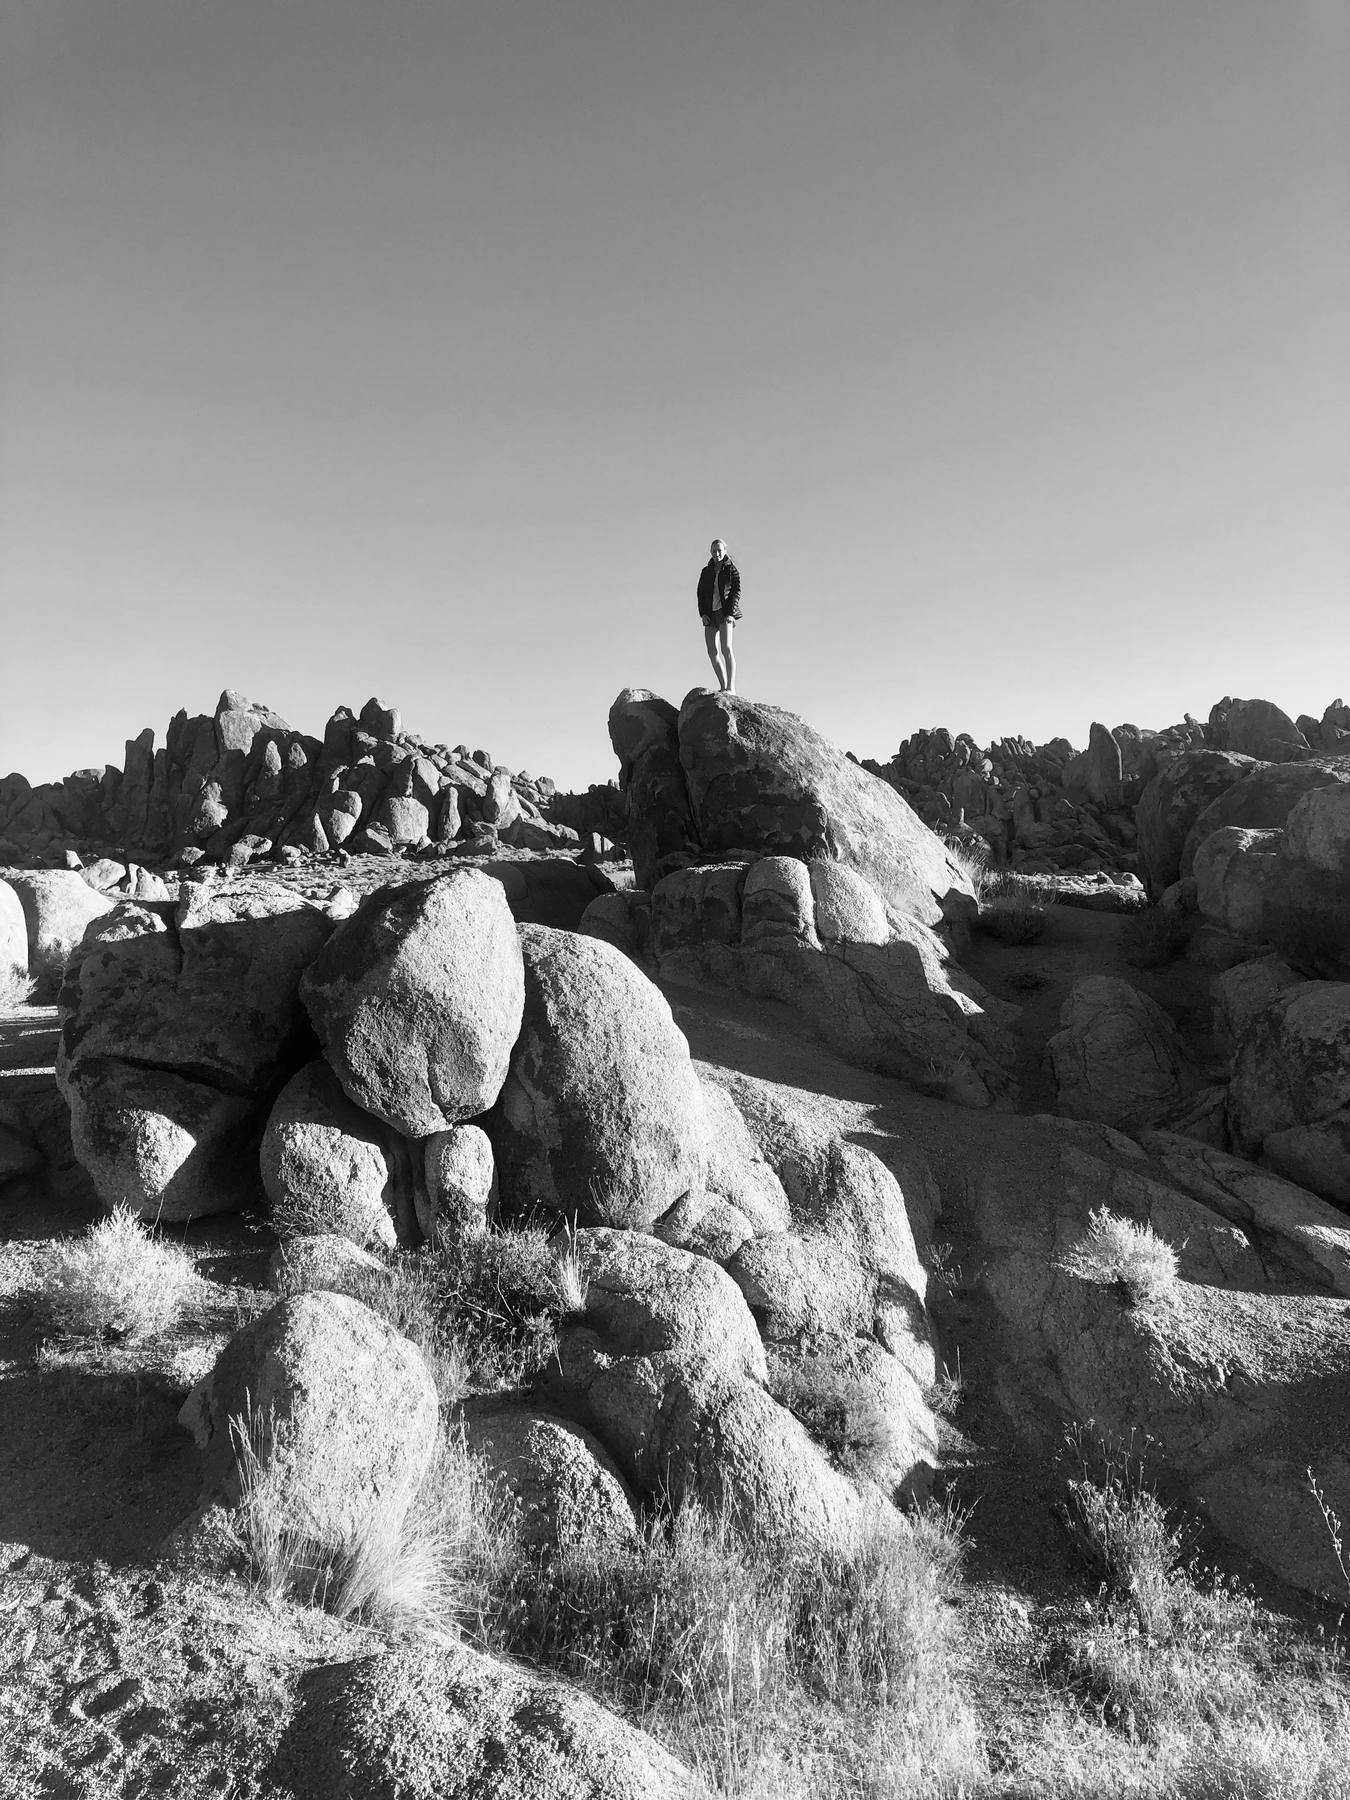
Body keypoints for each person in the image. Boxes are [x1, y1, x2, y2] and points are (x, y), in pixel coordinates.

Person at [696, 538, 741, 693]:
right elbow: (700, 594)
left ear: (725, 551)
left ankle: (731, 687)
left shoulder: (731, 570)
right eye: (714, 550)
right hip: (710, 614)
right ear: (710, 552)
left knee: (726, 648)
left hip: (725, 613)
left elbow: (736, 592)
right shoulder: (706, 571)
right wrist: (703, 614)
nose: (716, 553)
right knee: (711, 651)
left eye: (719, 550)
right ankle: (723, 686)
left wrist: (731, 614)